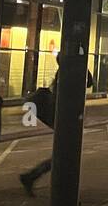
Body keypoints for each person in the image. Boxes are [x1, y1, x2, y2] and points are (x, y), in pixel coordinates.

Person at [19, 58, 93, 195]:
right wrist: (82, 64)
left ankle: (34, 177)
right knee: (65, 155)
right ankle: (40, 180)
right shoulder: (68, 72)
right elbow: (89, 82)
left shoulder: (64, 71)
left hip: (64, 116)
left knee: (64, 154)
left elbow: (88, 83)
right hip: (65, 117)